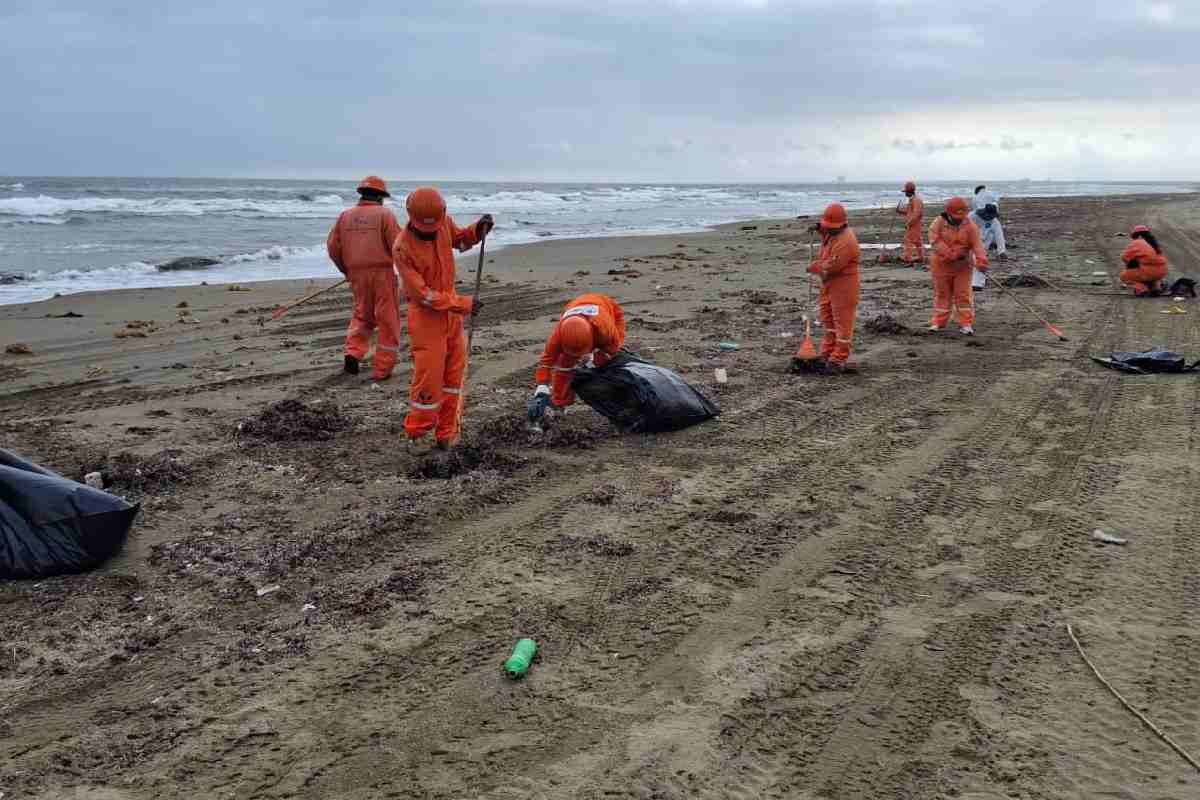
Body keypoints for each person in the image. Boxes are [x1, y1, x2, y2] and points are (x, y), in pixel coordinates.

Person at [392, 186, 494, 450]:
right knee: (429, 378)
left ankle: (447, 433)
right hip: (426, 319)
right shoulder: (402, 248)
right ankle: (418, 433)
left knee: (454, 375)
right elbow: (423, 295)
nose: (430, 233)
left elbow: (460, 240)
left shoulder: (444, 223)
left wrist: (477, 231)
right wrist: (462, 304)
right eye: (425, 229)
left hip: (451, 315)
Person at [326, 176, 404, 381]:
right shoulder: (385, 215)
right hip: (382, 272)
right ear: (381, 197)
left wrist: (346, 270)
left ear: (362, 194)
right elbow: (398, 246)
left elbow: (333, 247)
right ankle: (383, 368)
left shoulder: (345, 216)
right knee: (388, 319)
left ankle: (353, 353)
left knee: (362, 315)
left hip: (356, 273)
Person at [529, 293, 626, 424]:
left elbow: (612, 349)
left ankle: (617, 397)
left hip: (608, 310)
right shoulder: (558, 336)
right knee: (563, 365)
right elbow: (546, 361)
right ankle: (560, 404)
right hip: (576, 310)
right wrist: (542, 385)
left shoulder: (605, 329)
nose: (577, 358)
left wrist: (594, 363)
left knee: (609, 361)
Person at [808, 202, 861, 372]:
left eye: (830, 227)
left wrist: (815, 267)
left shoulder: (846, 241)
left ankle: (839, 358)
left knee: (842, 322)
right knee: (828, 318)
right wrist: (819, 228)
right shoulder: (832, 231)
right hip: (829, 284)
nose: (828, 229)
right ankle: (828, 352)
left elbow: (831, 267)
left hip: (844, 285)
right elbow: (826, 230)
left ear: (841, 225)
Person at [928, 197, 990, 335]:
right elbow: (935, 241)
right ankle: (939, 322)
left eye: (961, 217)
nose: (959, 220)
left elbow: (977, 245)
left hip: (963, 266)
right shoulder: (938, 223)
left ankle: (965, 323)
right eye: (956, 217)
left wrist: (982, 261)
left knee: (963, 294)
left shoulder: (971, 226)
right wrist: (951, 254)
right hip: (941, 264)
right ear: (948, 213)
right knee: (942, 294)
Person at [970, 185, 1006, 289]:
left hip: (984, 241)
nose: (988, 218)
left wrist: (1001, 251)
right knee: (969, 261)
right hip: (970, 241)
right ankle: (970, 282)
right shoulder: (971, 216)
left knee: (981, 260)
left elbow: (999, 236)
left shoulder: (994, 221)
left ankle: (977, 284)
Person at [1120, 225, 1169, 296]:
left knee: (1124, 276)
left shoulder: (1137, 242)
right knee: (1151, 276)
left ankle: (1142, 289)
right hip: (1161, 273)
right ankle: (1156, 288)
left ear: (1137, 235)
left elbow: (1124, 257)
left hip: (1147, 272)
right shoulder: (1154, 243)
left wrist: (1132, 263)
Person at [895, 181, 925, 266]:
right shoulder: (913, 200)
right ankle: (921, 257)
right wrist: (899, 210)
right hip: (914, 225)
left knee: (909, 240)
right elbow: (909, 212)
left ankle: (907, 258)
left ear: (909, 191)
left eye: (905, 191)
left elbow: (916, 214)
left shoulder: (916, 200)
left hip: (914, 225)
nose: (905, 193)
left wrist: (908, 223)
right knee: (917, 241)